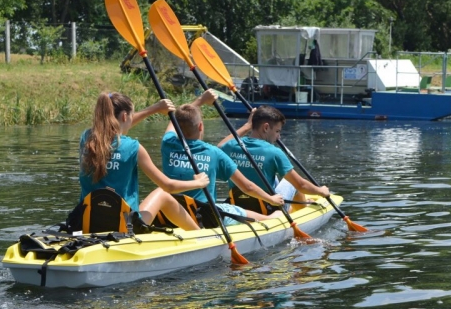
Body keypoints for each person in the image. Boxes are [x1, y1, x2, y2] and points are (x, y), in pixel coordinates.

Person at [79, 92, 210, 231]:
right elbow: (169, 186)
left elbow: (115, 128)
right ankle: (199, 235)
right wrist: (198, 183)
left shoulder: (86, 139)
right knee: (162, 194)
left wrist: (154, 109)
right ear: (124, 116)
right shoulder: (133, 147)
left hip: (86, 222)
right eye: (131, 116)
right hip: (124, 227)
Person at [161, 89, 284, 226]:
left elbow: (176, 120)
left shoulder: (168, 143)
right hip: (205, 216)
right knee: (236, 210)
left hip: (171, 213)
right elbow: (247, 187)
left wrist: (200, 100)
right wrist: (271, 199)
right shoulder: (214, 153)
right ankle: (270, 219)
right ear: (200, 126)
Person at [218, 105, 330, 211]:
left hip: (238, 205)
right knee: (290, 182)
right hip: (269, 208)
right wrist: (321, 191)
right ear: (266, 128)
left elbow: (219, 146)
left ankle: (294, 206)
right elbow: (301, 185)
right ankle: (303, 209)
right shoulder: (274, 152)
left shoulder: (231, 146)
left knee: (273, 176)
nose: (278, 137)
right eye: (277, 131)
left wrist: (247, 126)